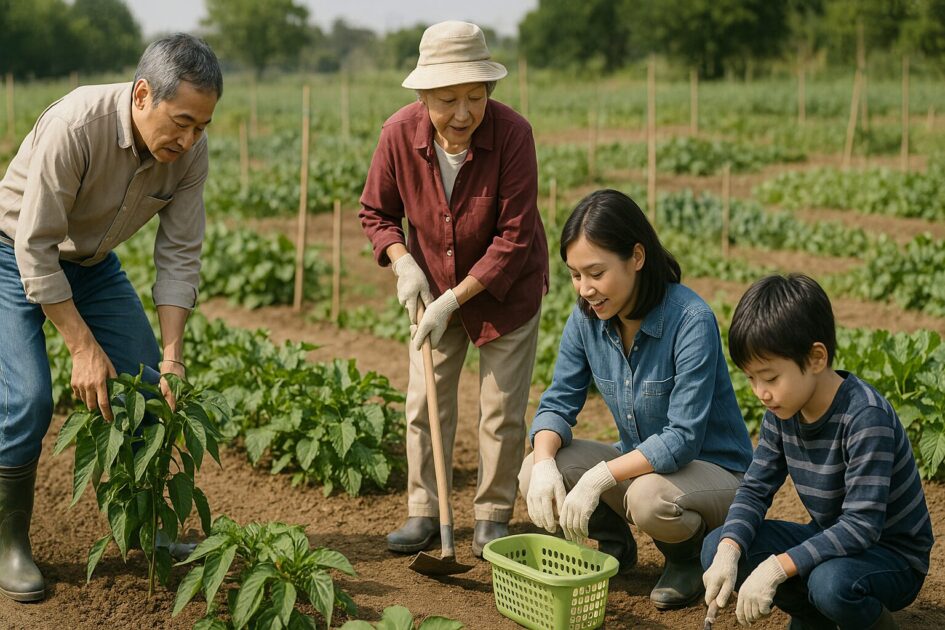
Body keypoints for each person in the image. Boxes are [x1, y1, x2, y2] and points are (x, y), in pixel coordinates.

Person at [0, 34, 222, 602]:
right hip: (12, 252)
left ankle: (147, 533)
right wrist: (80, 346)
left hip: (92, 263)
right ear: (143, 94)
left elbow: (179, 256)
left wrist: (172, 358)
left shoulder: (189, 153)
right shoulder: (77, 124)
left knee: (149, 389)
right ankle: (10, 545)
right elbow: (35, 245)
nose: (190, 138)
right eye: (181, 121)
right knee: (28, 400)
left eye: (202, 126)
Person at [359, 20, 548, 558]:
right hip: (431, 287)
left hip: (506, 295)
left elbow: (515, 238)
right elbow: (376, 211)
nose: (463, 113)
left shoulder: (513, 135)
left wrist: (452, 299)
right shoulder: (398, 134)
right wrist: (402, 262)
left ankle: (491, 516)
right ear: (423, 95)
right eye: (447, 100)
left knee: (501, 409)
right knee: (424, 403)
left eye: (475, 96)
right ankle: (424, 511)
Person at [518, 189, 753, 609]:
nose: (586, 289)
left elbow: (681, 439)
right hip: (647, 467)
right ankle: (616, 544)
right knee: (535, 466)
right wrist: (542, 463)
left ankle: (687, 559)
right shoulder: (587, 319)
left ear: (637, 257)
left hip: (717, 475)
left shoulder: (690, 320)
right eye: (575, 275)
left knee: (648, 497)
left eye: (596, 273)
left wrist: (600, 477)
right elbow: (557, 402)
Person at [701, 274, 933, 630]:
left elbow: (861, 526)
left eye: (770, 377)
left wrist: (777, 567)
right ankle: (815, 618)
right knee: (717, 544)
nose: (760, 392)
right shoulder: (782, 413)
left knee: (831, 584)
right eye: (751, 379)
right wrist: (729, 551)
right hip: (832, 540)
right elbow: (755, 488)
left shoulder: (864, 417)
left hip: (892, 556)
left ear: (815, 358)